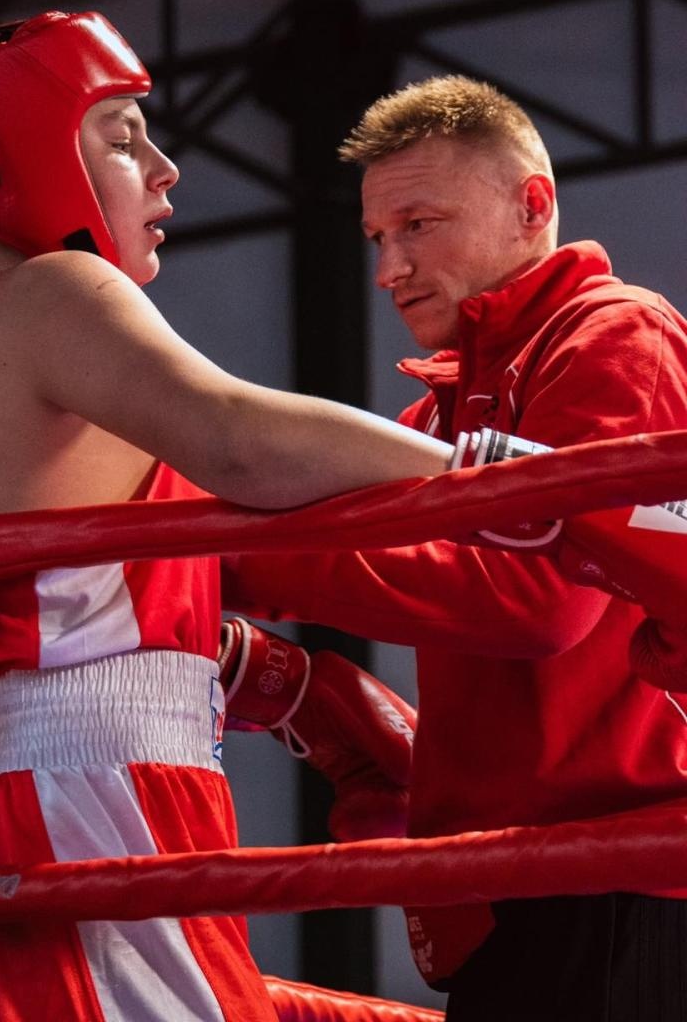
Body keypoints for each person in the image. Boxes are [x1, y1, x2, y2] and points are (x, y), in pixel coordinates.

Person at [0, 12, 456, 1022]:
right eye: (121, 138)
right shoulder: (51, 293)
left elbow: (72, 592)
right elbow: (237, 440)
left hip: (95, 780)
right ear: (2, 160)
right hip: (92, 785)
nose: (164, 170)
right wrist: (491, 475)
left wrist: (248, 665)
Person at [221, 76, 687, 1022]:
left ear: (533, 205)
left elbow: (541, 607)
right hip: (505, 875)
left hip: (614, 867)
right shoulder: (432, 417)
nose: (389, 268)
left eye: (419, 226)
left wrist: (234, 561)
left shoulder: (613, 336)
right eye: (376, 239)